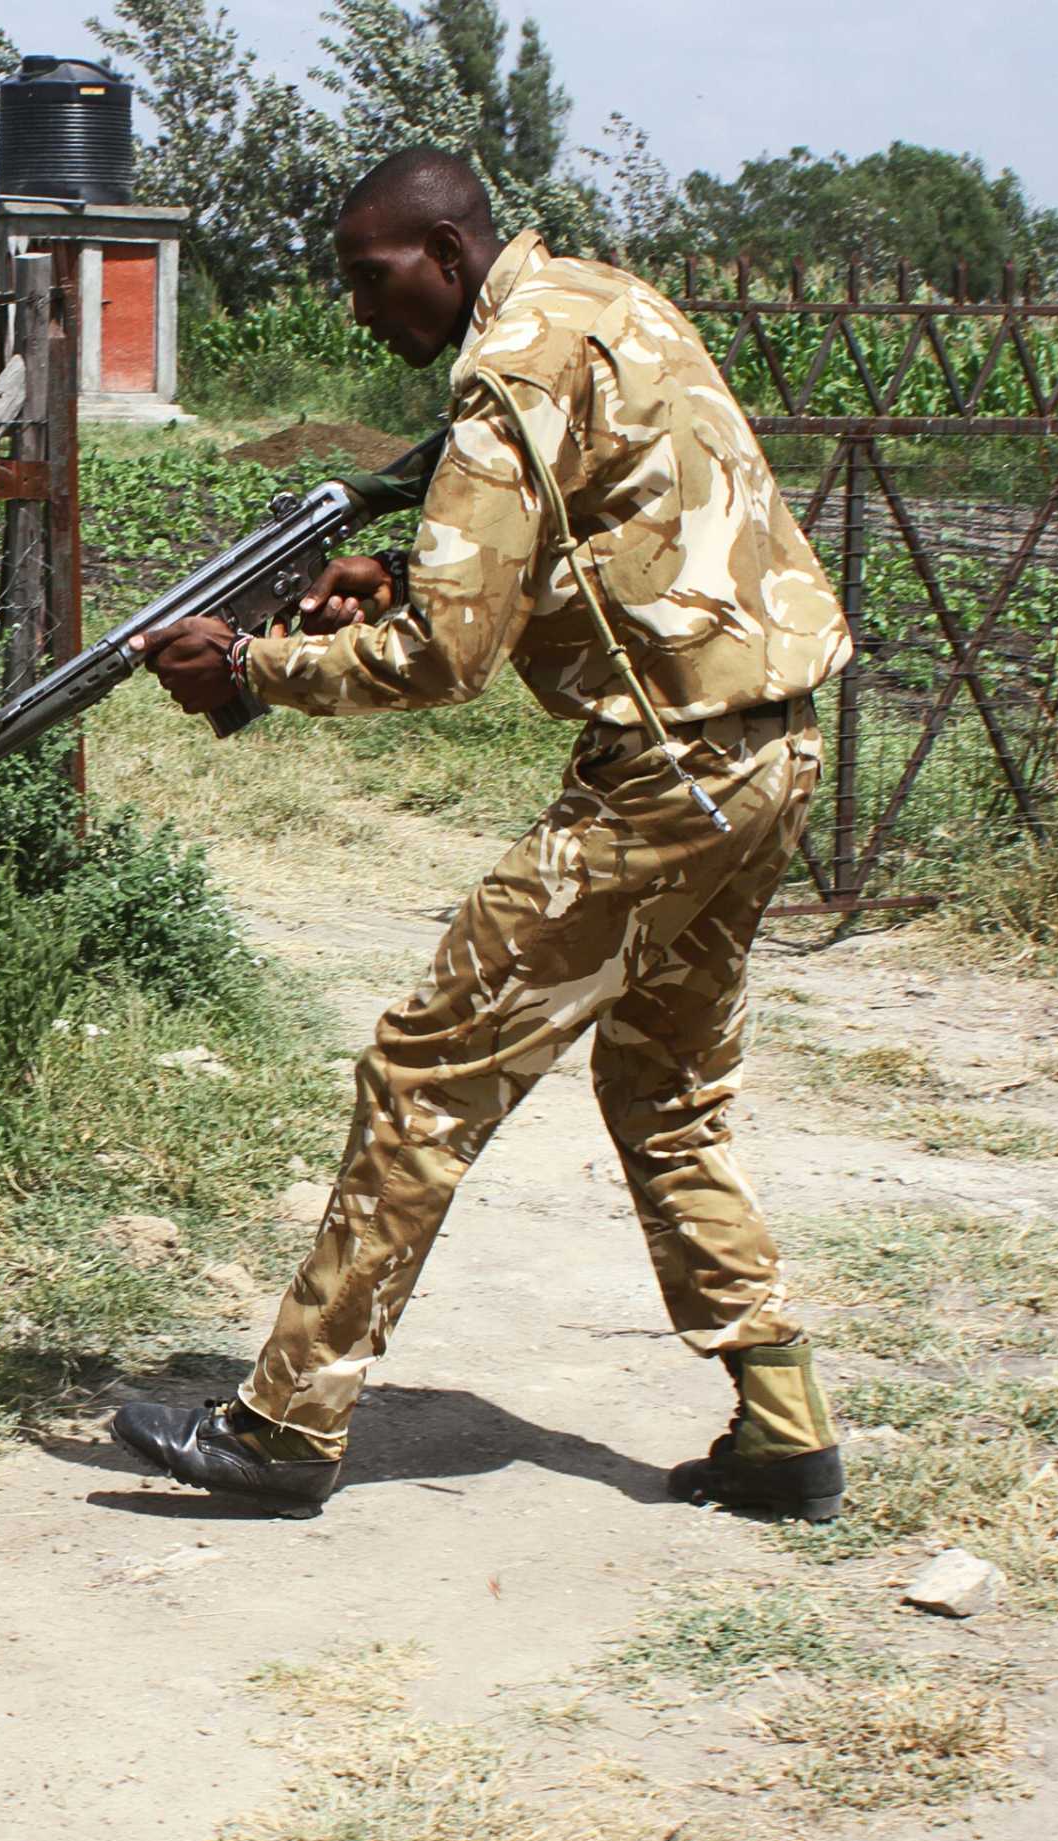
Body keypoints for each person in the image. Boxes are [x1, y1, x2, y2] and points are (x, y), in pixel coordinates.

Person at [108, 146, 849, 1522]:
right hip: (777, 750)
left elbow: (444, 659)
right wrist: (408, 559)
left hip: (666, 777)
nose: (359, 310)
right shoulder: (603, 302)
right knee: (667, 1089)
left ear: (443, 256)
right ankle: (784, 1430)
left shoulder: (501, 366)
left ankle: (285, 1427)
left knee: (424, 1067)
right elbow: (607, 515)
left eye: (369, 276)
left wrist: (253, 667)